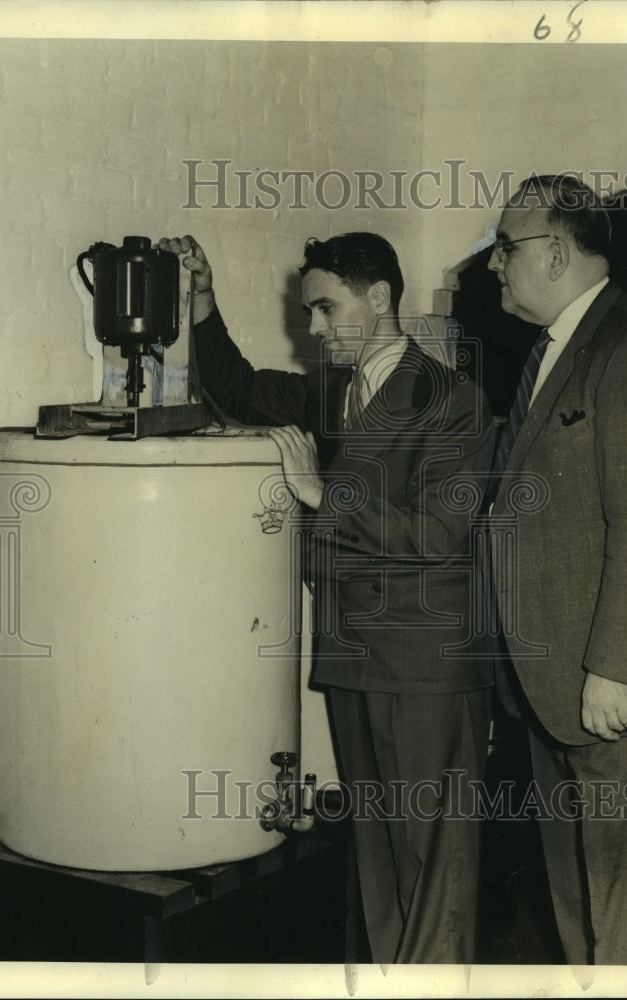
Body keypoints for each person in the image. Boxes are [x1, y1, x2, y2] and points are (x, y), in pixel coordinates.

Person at [158, 231, 494, 964]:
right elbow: (240, 388)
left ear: (379, 298)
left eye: (325, 308)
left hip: (425, 670)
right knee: (378, 862)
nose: (313, 327)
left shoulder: (452, 399)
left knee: (438, 873)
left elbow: (441, 532)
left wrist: (321, 491)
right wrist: (203, 303)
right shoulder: (329, 390)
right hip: (352, 660)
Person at [485, 175, 627, 964]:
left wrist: (614, 666)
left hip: (600, 687)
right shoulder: (551, 349)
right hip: (547, 684)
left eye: (505, 247)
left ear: (552, 251)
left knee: (622, 907)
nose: (493, 265)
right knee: (574, 894)